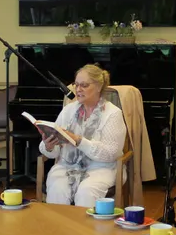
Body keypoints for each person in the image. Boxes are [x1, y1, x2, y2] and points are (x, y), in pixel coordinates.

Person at [40, 64, 127, 207]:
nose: (78, 90)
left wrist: (79, 140)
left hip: (102, 168)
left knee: (86, 191)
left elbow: (110, 153)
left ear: (99, 86)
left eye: (84, 85)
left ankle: (85, 229)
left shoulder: (112, 114)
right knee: (57, 188)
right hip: (67, 166)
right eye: (76, 85)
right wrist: (48, 146)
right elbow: (52, 152)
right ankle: (59, 228)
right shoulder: (68, 110)